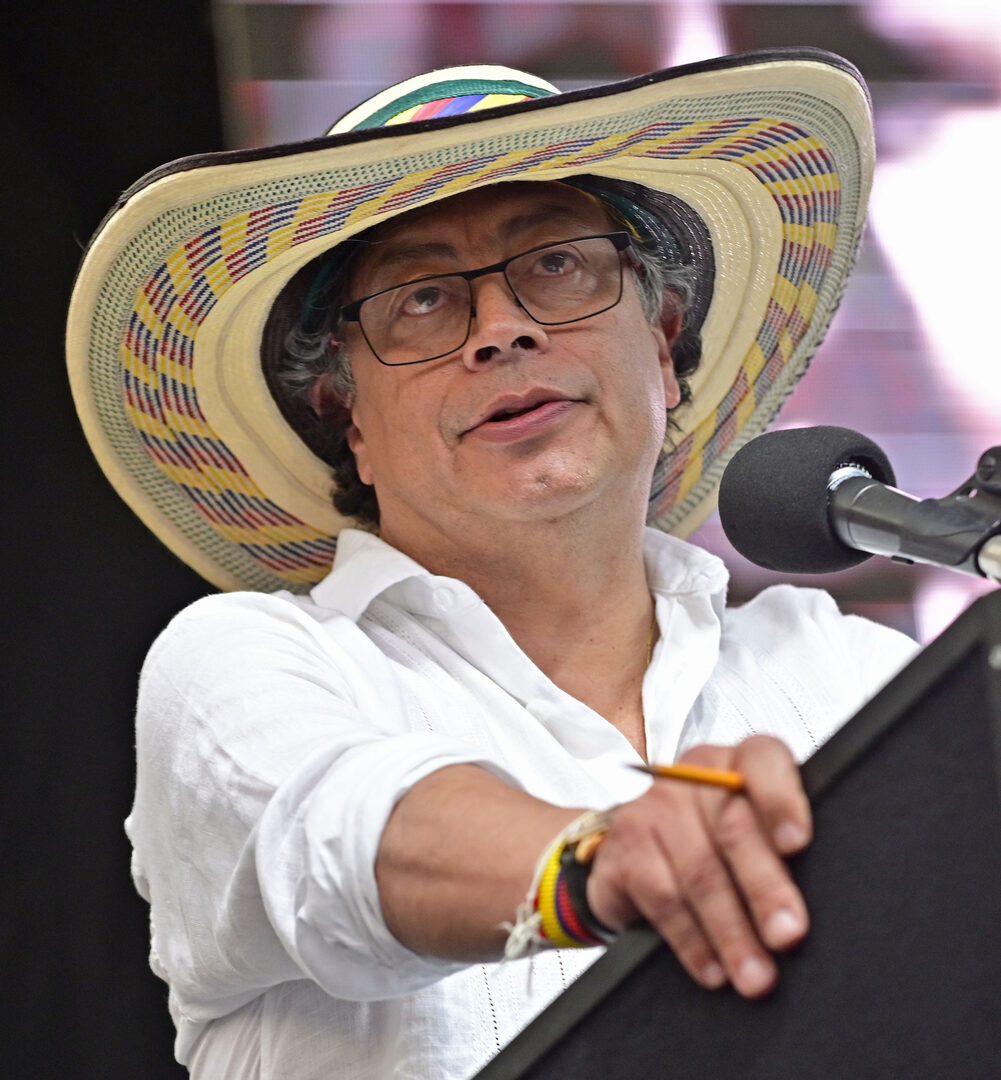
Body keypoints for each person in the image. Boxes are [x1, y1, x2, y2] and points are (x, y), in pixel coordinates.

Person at [66, 52, 917, 1078]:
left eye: (556, 264)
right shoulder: (243, 660)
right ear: (345, 419)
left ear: (660, 344)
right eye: (422, 298)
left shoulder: (848, 673)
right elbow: (342, 837)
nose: (502, 330)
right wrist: (599, 862)